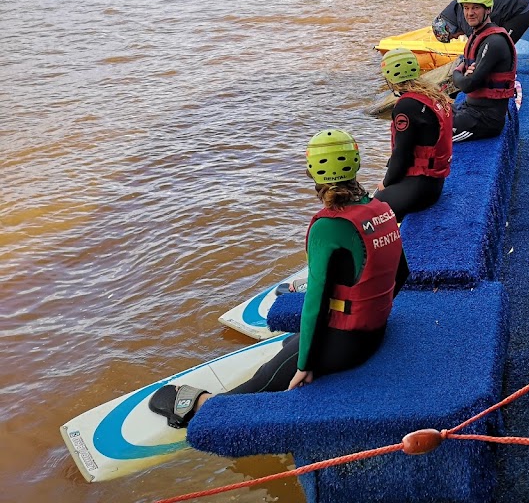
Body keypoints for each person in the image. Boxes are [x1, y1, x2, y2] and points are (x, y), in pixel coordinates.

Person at [148, 129, 408, 427]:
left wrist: (305, 365)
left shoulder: (328, 226)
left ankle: (200, 406)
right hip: (375, 330)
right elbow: (402, 273)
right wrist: (372, 311)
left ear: (312, 171)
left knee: (263, 381)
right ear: (356, 163)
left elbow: (315, 303)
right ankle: (300, 354)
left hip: (349, 343)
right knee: (288, 347)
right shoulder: (381, 209)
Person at [374, 47, 453, 220]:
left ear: (390, 78)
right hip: (434, 182)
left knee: (372, 208)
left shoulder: (406, 105)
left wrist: (385, 183)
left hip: (420, 188)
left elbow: (402, 154)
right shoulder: (430, 94)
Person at [451, 0, 517, 143]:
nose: (470, 13)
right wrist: (462, 75)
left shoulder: (494, 42)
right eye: (466, 8)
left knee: (431, 131)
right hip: (470, 109)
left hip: (486, 119)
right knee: (430, 112)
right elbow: (466, 78)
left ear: (488, 10)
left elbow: (467, 85)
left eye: (476, 8)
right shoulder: (477, 35)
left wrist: (456, 73)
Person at [432, 0, 529, 45]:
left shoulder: (465, 19)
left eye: (452, 36)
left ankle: (506, 74)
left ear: (450, 28)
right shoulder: (459, 10)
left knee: (503, 46)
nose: (456, 37)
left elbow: (476, 44)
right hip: (515, 4)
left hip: (521, 10)